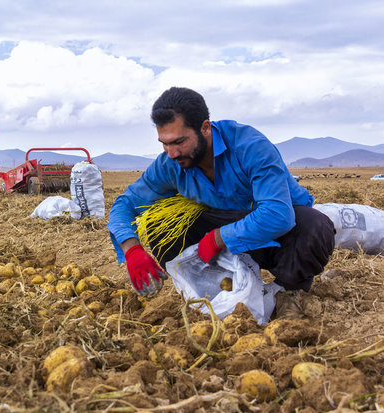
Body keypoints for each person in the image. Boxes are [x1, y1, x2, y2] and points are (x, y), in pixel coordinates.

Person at [107, 87, 336, 319]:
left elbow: (277, 214)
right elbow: (125, 204)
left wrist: (219, 238)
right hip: (224, 224)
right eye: (164, 143)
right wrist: (132, 249)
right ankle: (214, 290)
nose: (172, 153)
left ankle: (289, 291)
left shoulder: (249, 146)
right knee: (161, 226)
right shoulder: (170, 163)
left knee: (315, 226)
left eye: (179, 142)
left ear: (205, 128)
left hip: (272, 233)